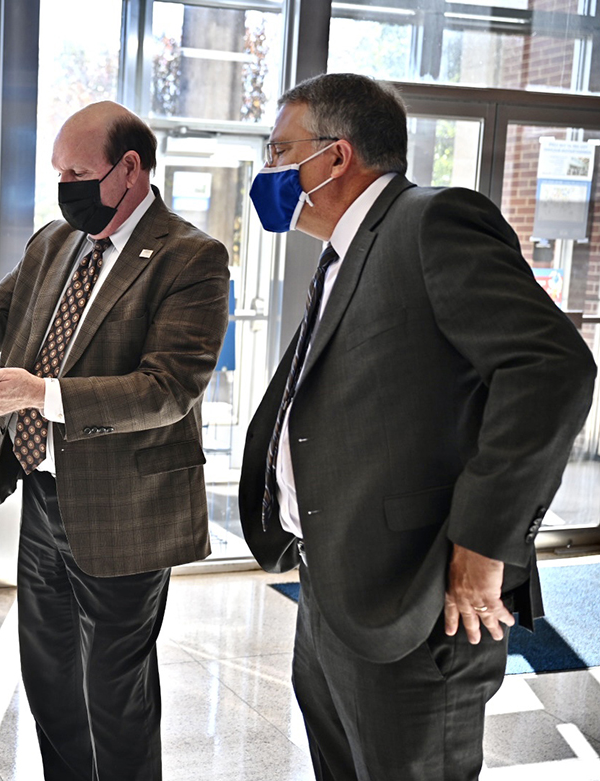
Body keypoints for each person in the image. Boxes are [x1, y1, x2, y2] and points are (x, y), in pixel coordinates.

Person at [238, 72, 597, 781]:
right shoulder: (344, 250)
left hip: (416, 606)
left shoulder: (430, 221)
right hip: (335, 593)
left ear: (335, 157)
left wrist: (485, 543)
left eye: (281, 152)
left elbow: (551, 367)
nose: (269, 171)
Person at [0, 101, 230, 780]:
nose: (64, 186)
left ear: (130, 169)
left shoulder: (191, 257)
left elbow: (169, 388)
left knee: (115, 697)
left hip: (124, 509)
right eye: (58, 172)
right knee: (50, 686)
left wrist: (40, 394)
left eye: (78, 171)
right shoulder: (55, 241)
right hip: (42, 499)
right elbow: (0, 318)